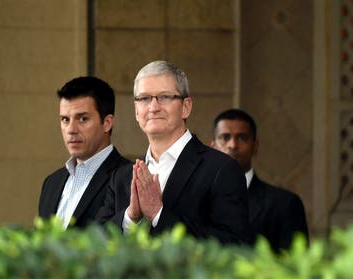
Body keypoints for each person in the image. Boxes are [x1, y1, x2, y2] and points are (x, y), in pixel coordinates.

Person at [96, 61, 250, 245]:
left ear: (186, 107)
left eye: (165, 97)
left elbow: (233, 245)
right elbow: (96, 243)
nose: (153, 107)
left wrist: (158, 214)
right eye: (144, 98)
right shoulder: (121, 176)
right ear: (136, 111)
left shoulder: (222, 169)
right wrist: (130, 217)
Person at [211, 108, 309, 252]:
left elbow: (297, 267)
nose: (232, 145)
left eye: (242, 138)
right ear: (212, 147)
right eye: (225, 137)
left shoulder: (285, 204)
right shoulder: (191, 200)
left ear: (255, 147)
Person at [38, 76, 130, 229]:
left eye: (82, 119)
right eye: (65, 119)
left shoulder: (128, 178)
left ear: (107, 123)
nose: (71, 130)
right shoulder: (51, 183)